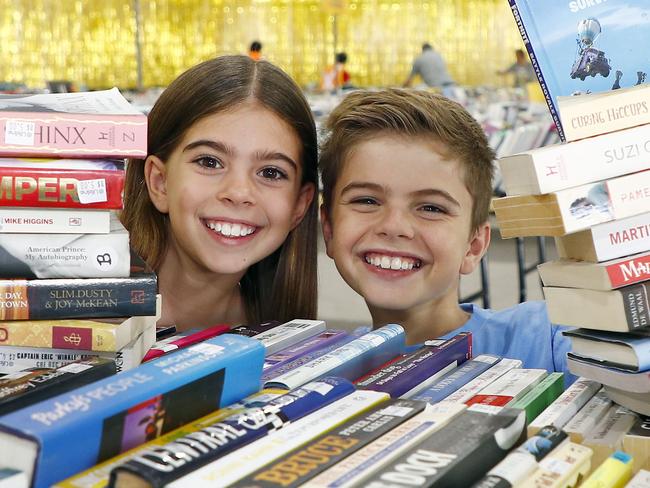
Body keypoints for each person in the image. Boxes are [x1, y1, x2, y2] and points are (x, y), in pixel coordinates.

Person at [319, 88, 574, 382]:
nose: (394, 226)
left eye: (430, 208)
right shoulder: (319, 372)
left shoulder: (547, 339)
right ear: (329, 229)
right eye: (367, 200)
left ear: (474, 246)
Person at [120, 55, 319, 331]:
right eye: (209, 162)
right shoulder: (81, 320)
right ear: (160, 182)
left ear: (299, 205)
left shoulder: (280, 332)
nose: (238, 193)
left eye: (271, 172)